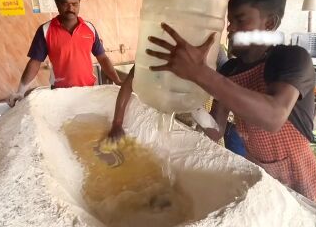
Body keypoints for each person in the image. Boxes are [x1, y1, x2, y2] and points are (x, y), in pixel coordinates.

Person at [145, 0, 316, 207]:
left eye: (240, 20)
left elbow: (273, 116)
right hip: (257, 167)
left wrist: (200, 73)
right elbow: (216, 130)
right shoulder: (231, 69)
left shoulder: (291, 59)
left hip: (297, 172)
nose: (230, 29)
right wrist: (190, 99)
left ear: (270, 23)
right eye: (230, 22)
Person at [106, 45, 247, 157]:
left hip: (202, 128)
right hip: (172, 125)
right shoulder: (157, 48)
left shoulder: (213, 52)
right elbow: (129, 83)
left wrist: (193, 105)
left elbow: (216, 127)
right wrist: (117, 123)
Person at [10, 0, 121, 105]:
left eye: (75, 4)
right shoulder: (46, 30)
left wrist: (117, 80)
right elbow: (34, 63)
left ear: (79, 4)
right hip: (60, 94)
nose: (71, 9)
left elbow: (103, 58)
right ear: (57, 4)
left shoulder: (89, 28)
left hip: (89, 91)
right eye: (65, 4)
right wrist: (20, 91)